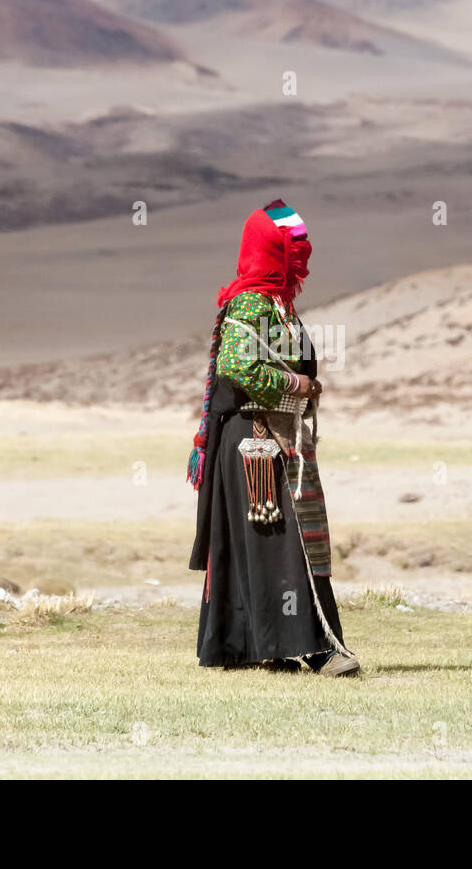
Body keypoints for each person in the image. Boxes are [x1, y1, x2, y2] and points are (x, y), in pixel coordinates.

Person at [186, 199, 358, 676]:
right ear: (270, 250)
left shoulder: (277, 304)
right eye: (290, 247)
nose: (299, 256)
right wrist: (297, 386)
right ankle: (314, 647)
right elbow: (237, 368)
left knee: (270, 539)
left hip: (276, 436)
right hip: (254, 439)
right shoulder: (252, 302)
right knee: (282, 540)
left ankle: (256, 646)